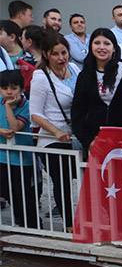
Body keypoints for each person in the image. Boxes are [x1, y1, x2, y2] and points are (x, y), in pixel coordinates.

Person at [30, 32, 80, 231]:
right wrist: (56, 132)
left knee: (83, 176)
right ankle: (69, 223)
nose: (61, 58)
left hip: (76, 134)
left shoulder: (74, 68)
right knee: (62, 180)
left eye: (64, 52)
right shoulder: (41, 77)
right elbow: (35, 113)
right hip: (52, 138)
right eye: (55, 54)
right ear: (45, 54)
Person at [71, 27, 122, 151]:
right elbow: (77, 111)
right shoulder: (84, 75)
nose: (101, 47)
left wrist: (121, 139)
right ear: (91, 46)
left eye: (107, 43)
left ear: (114, 48)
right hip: (93, 142)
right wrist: (88, 140)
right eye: (97, 43)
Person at [0, 69, 36, 229]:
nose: (9, 92)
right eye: (4, 88)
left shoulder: (27, 105)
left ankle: (30, 225)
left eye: (13, 88)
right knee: (6, 192)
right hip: (2, 156)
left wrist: (8, 107)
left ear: (21, 89)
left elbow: (15, 126)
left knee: (22, 194)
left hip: (22, 158)